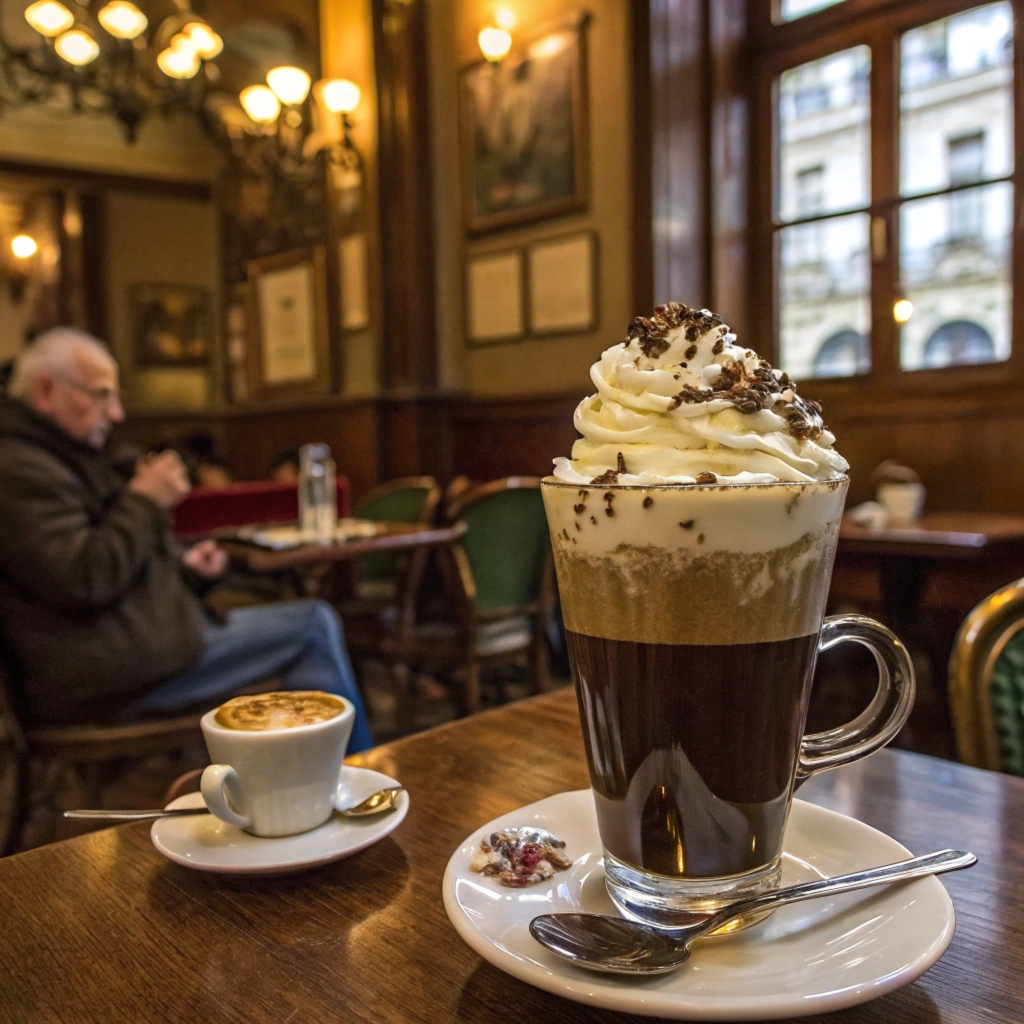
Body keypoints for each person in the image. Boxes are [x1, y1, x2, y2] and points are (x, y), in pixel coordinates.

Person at [0, 328, 372, 751]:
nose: (117, 413)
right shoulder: (17, 469)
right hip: (102, 676)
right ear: (46, 390)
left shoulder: (59, 455)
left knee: (312, 622)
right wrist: (144, 500)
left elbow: (105, 565)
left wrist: (187, 570)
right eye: (102, 395)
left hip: (126, 650)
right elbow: (84, 577)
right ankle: (351, 790)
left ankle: (307, 792)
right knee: (312, 626)